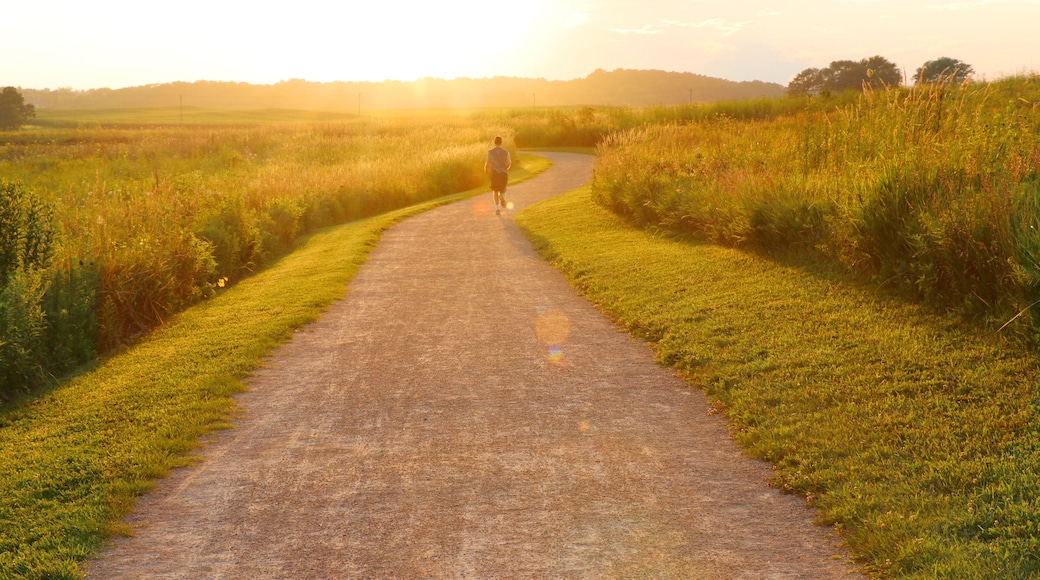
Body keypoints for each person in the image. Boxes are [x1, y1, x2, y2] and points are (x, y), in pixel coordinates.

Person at [484, 136, 512, 215]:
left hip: (494, 173)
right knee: (503, 188)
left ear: (494, 142)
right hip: (503, 173)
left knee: (495, 190)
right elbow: (509, 163)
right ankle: (502, 196)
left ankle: (497, 208)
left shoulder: (490, 152)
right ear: (501, 142)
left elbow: (487, 163)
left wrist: (486, 169)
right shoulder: (506, 152)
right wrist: (505, 168)